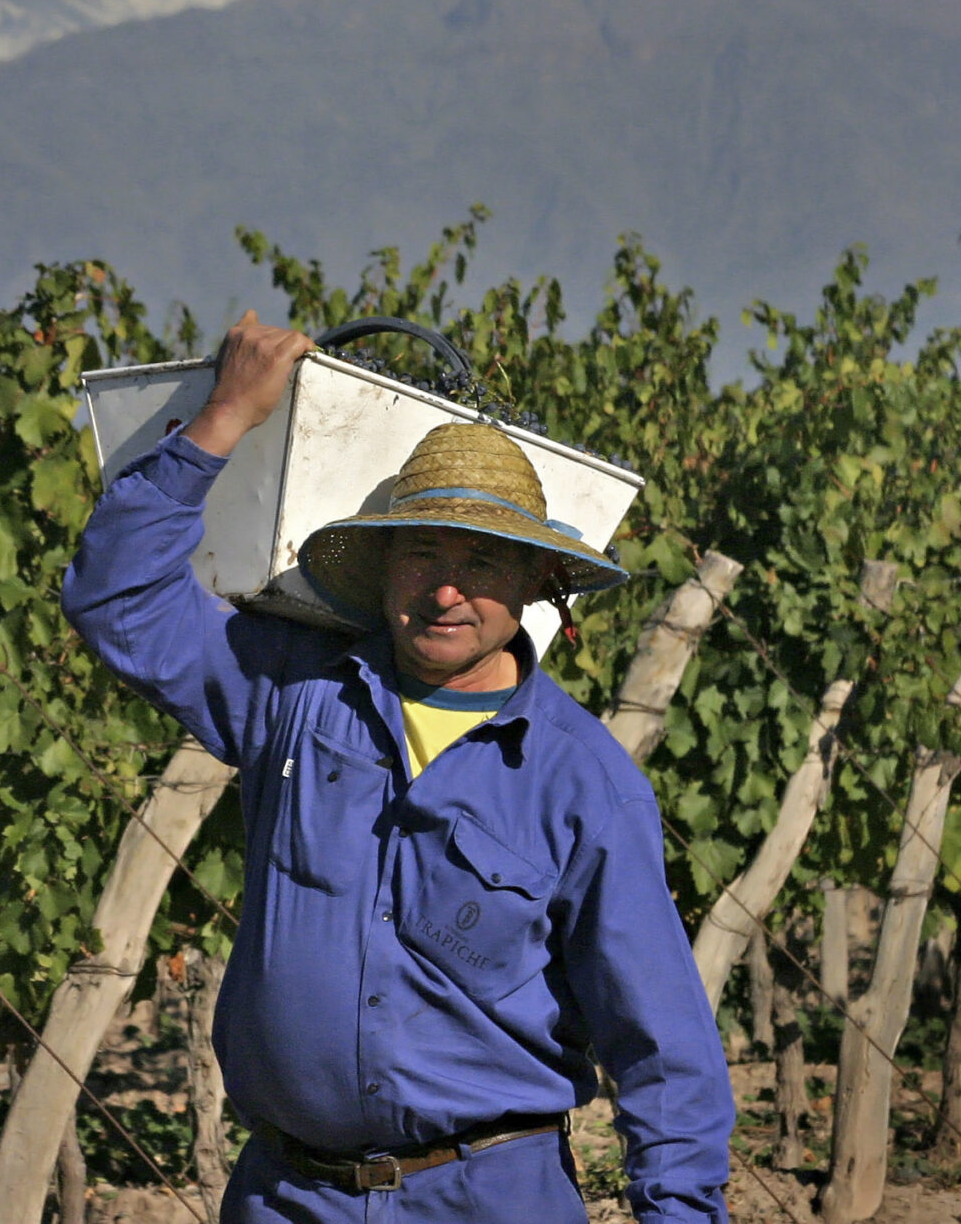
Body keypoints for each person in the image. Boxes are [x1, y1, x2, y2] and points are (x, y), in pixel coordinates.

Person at [63, 310, 732, 1222]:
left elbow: (664, 1045)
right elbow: (118, 600)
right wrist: (222, 418)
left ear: (537, 581)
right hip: (288, 1197)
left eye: (483, 559)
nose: (446, 587)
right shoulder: (292, 694)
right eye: (422, 551)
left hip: (490, 1199)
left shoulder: (583, 782)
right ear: (380, 567)